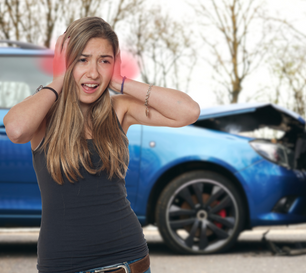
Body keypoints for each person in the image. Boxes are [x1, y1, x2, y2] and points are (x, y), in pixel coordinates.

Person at [3, 17, 200, 273]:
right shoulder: (45, 115)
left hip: (130, 262)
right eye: (82, 60)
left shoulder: (119, 109)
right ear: (67, 62)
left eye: (104, 60)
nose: (93, 72)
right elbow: (16, 130)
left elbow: (188, 111)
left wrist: (118, 81)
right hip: (63, 266)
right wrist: (60, 80)